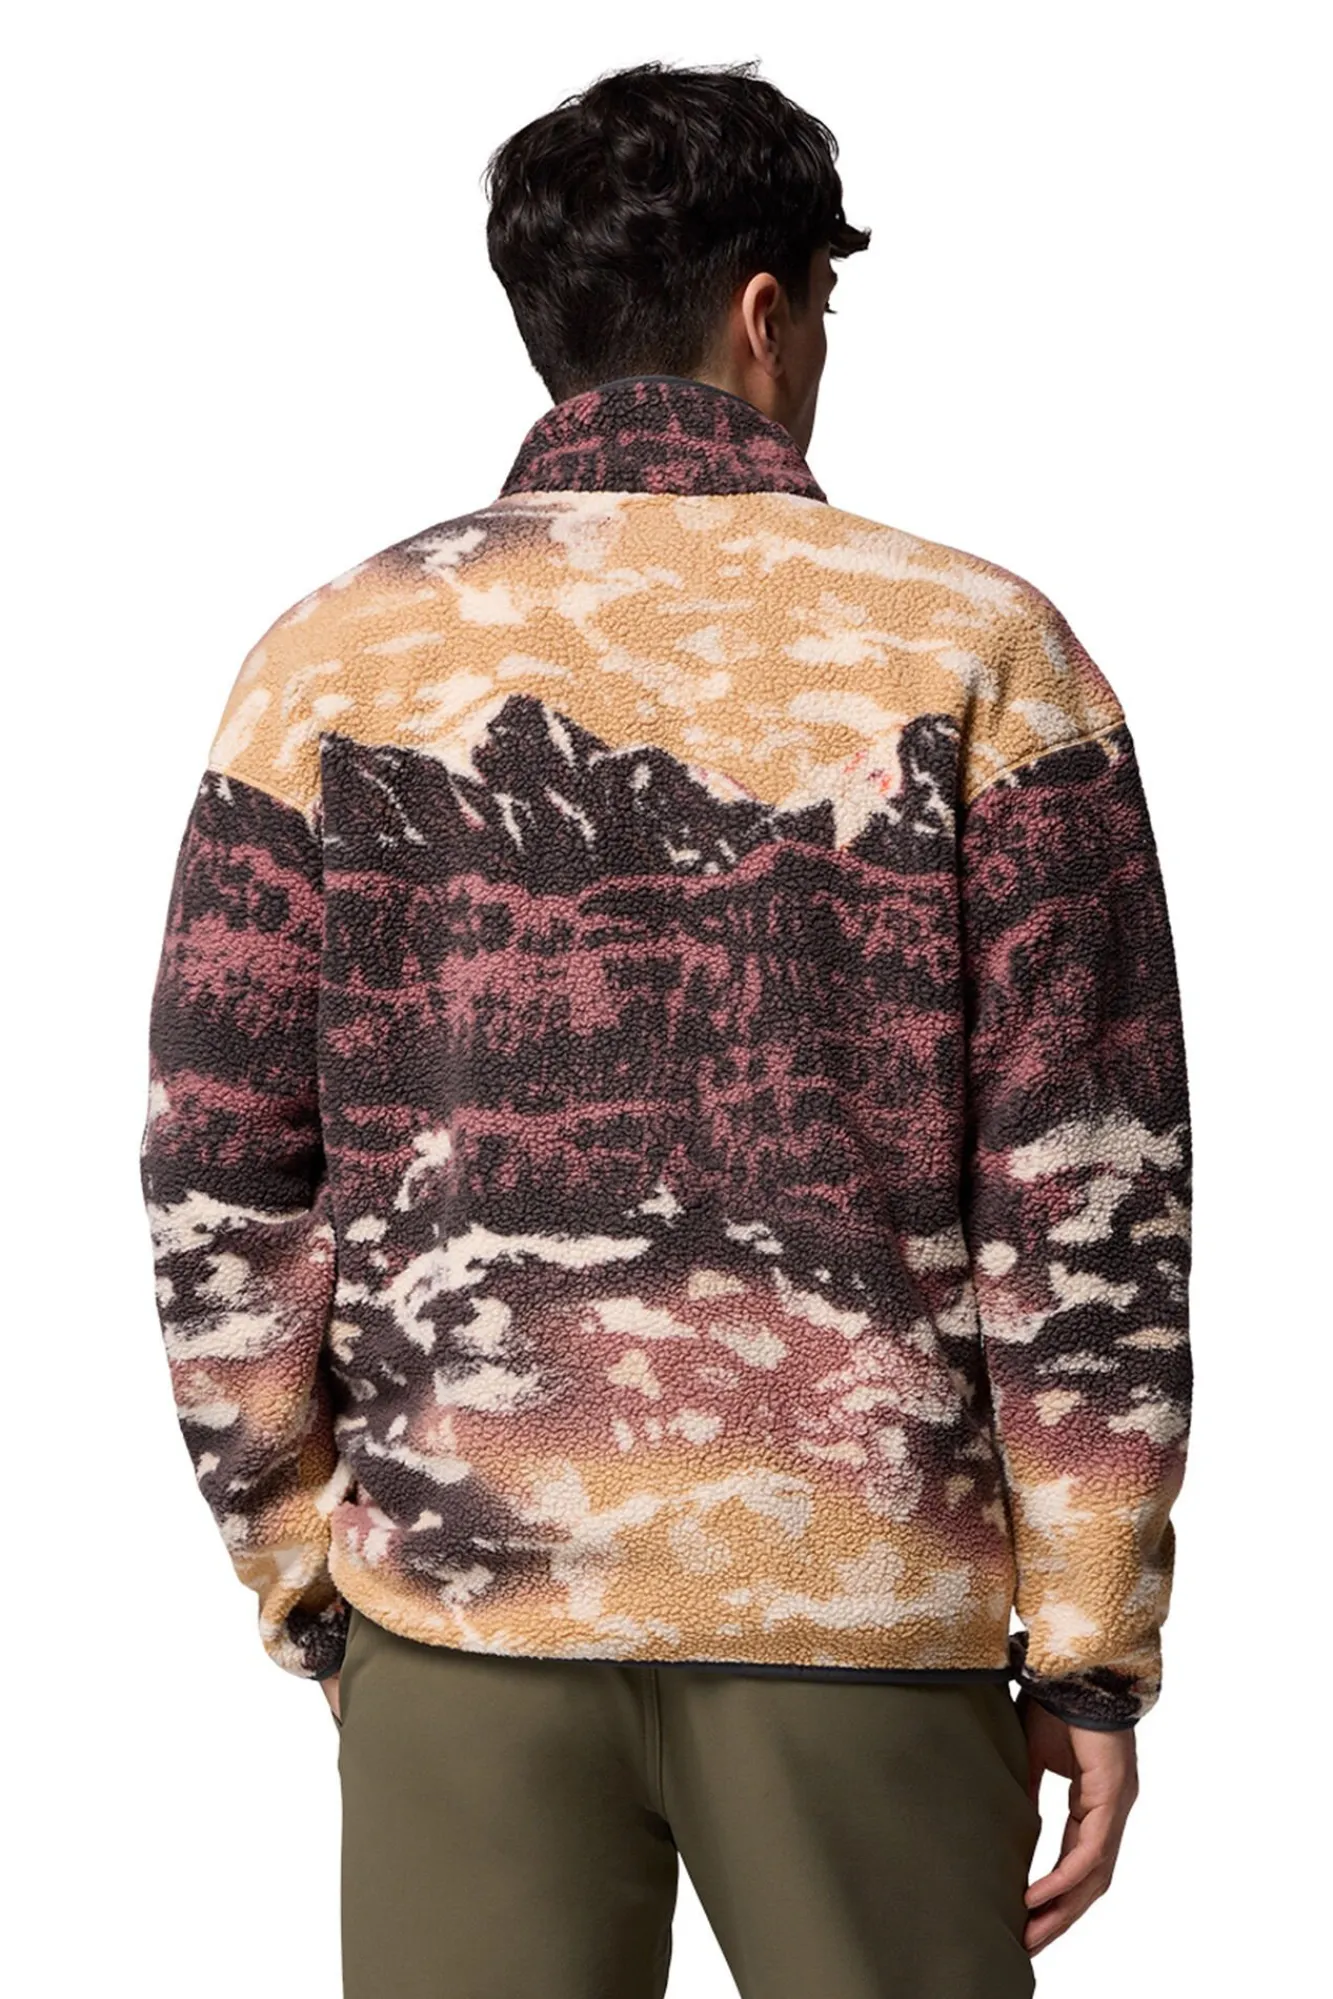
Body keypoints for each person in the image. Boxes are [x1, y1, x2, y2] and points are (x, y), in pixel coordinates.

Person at [139, 58, 1192, 1999]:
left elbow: (220, 1165)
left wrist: (315, 1576)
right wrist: (1093, 1641)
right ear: (768, 312)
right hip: (864, 1616)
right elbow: (1090, 1193)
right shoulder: (984, 651)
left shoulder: (329, 660)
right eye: (825, 306)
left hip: (462, 1611)